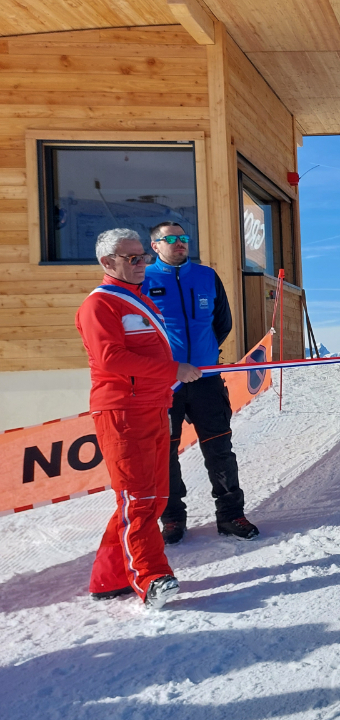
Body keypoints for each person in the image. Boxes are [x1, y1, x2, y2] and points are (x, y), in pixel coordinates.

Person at [76, 228, 202, 609]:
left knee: (155, 497)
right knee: (139, 498)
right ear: (106, 262)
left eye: (142, 257)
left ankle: (108, 577)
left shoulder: (140, 300)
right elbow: (110, 358)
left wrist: (170, 380)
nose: (141, 264)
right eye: (131, 258)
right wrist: (173, 371)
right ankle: (151, 578)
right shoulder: (100, 305)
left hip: (154, 407)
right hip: (122, 411)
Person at [142, 222, 258, 544]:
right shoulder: (144, 279)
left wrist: (203, 357)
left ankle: (231, 515)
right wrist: (170, 365)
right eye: (170, 239)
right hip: (165, 384)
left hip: (206, 379)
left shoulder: (207, 276)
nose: (179, 243)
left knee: (220, 449)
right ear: (155, 246)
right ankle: (172, 519)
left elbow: (223, 323)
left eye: (183, 238)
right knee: (164, 454)